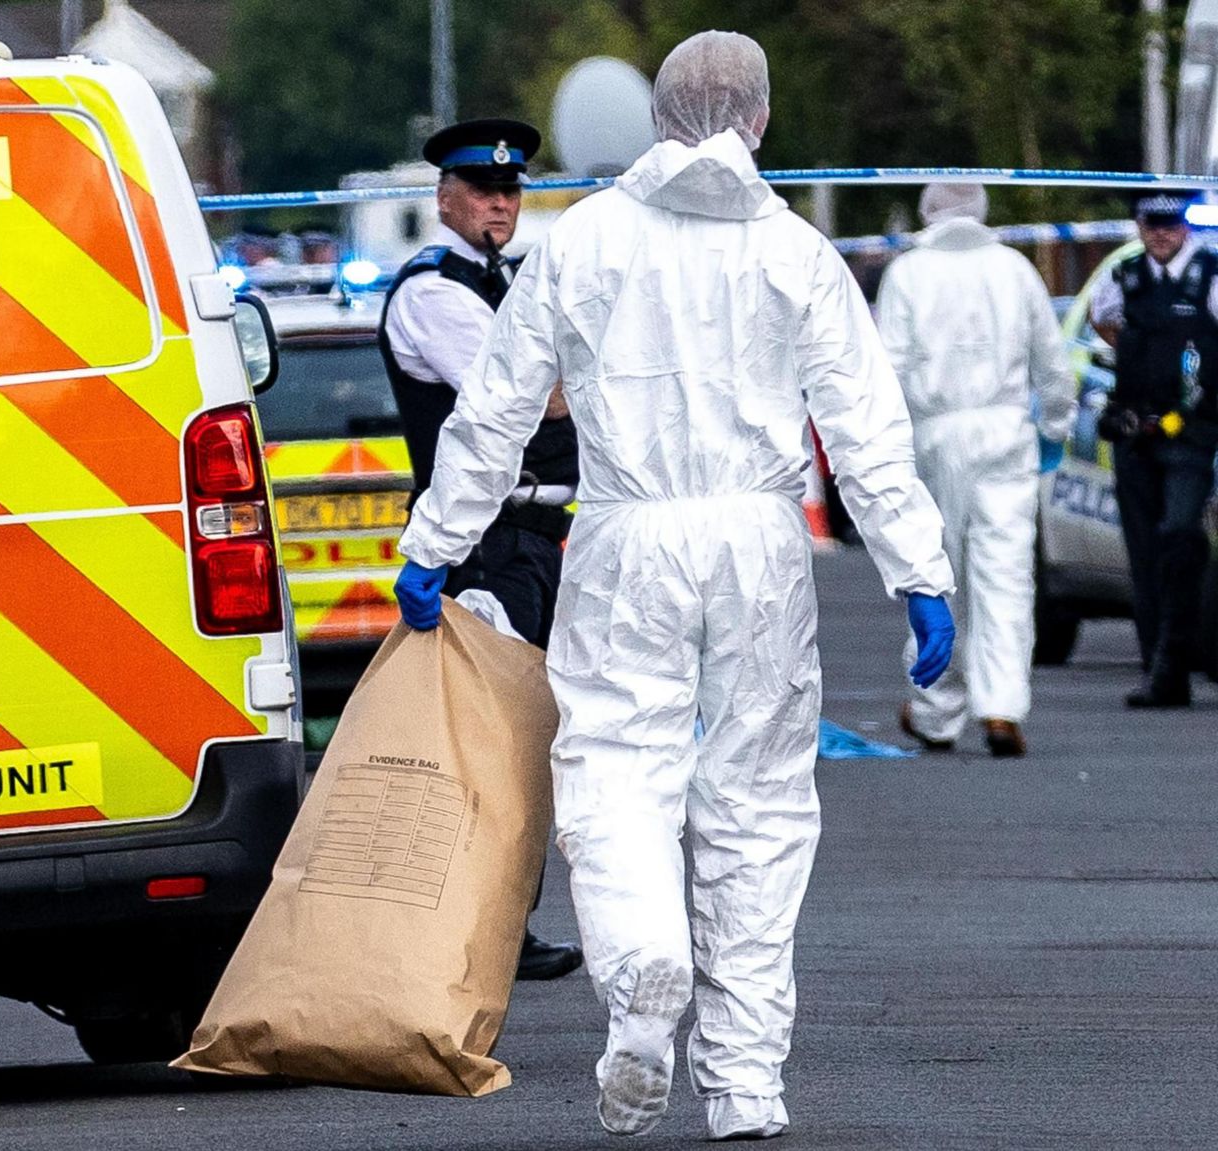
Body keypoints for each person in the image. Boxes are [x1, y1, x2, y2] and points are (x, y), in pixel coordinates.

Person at [393, 32, 956, 1141]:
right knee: (755, 805)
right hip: (757, 542)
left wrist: (431, 542)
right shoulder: (794, 253)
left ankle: (643, 967)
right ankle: (744, 1078)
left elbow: (497, 405)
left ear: (655, 117)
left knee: (613, 770)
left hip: (622, 534)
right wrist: (917, 572)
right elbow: (864, 429)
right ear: (756, 121)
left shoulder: (583, 241)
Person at [380, 116, 586, 984]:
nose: (500, 203)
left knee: (529, 736)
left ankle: (505, 914)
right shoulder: (432, 292)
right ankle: (472, 921)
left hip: (539, 535)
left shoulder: (516, 284)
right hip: (483, 542)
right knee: (484, 740)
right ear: (445, 197)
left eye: (511, 190)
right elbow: (524, 402)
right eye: (481, 189)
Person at [877, 183, 1077, 755]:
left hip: (933, 437)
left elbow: (888, 368)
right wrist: (1055, 427)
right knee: (1006, 574)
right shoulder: (1015, 271)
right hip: (1006, 433)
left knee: (933, 572)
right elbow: (1052, 362)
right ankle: (1002, 706)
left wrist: (883, 446)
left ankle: (935, 709)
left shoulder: (908, 274)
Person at [1087, 193, 1218, 708]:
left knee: (1180, 538)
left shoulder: (1209, 274)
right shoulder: (1126, 276)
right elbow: (1104, 321)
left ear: (1183, 226)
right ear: (1139, 226)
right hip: (1135, 430)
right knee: (1143, 551)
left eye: (1170, 224)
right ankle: (1157, 668)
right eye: (1151, 224)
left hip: (1189, 429)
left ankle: (1175, 659)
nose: (1161, 233)